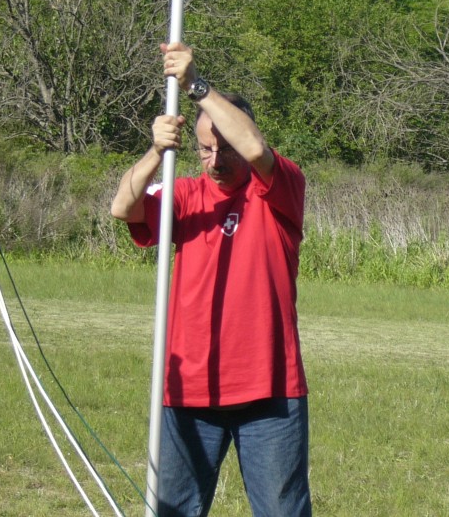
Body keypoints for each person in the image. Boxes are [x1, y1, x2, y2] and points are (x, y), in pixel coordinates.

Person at [111, 42, 312, 516]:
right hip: (189, 388)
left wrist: (195, 86)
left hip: (270, 392)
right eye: (204, 148)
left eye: (224, 146)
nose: (215, 158)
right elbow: (124, 207)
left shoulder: (281, 187)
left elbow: (256, 147)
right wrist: (155, 152)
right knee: (174, 510)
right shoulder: (185, 193)